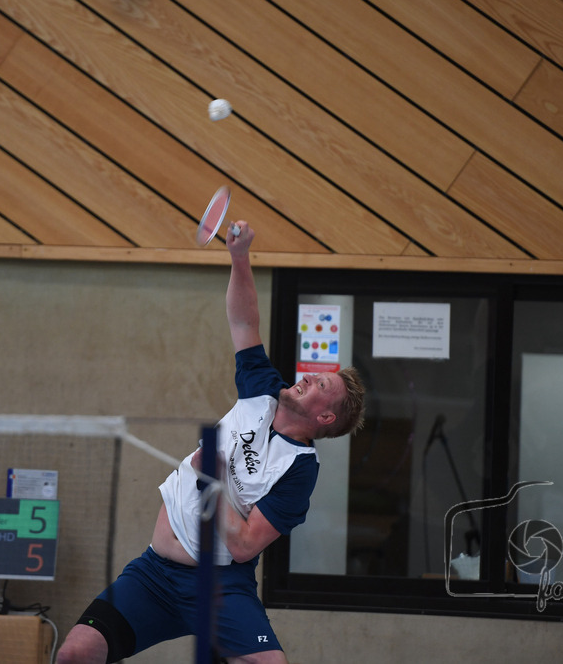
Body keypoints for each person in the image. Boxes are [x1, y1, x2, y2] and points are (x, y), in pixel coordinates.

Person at [57, 221, 366, 664]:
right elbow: (243, 320)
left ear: (325, 417)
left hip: (222, 587)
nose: (309, 377)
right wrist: (239, 257)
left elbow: (243, 546)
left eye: (322, 385)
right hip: (154, 577)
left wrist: (213, 484)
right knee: (75, 654)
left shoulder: (300, 471)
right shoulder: (262, 390)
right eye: (315, 374)